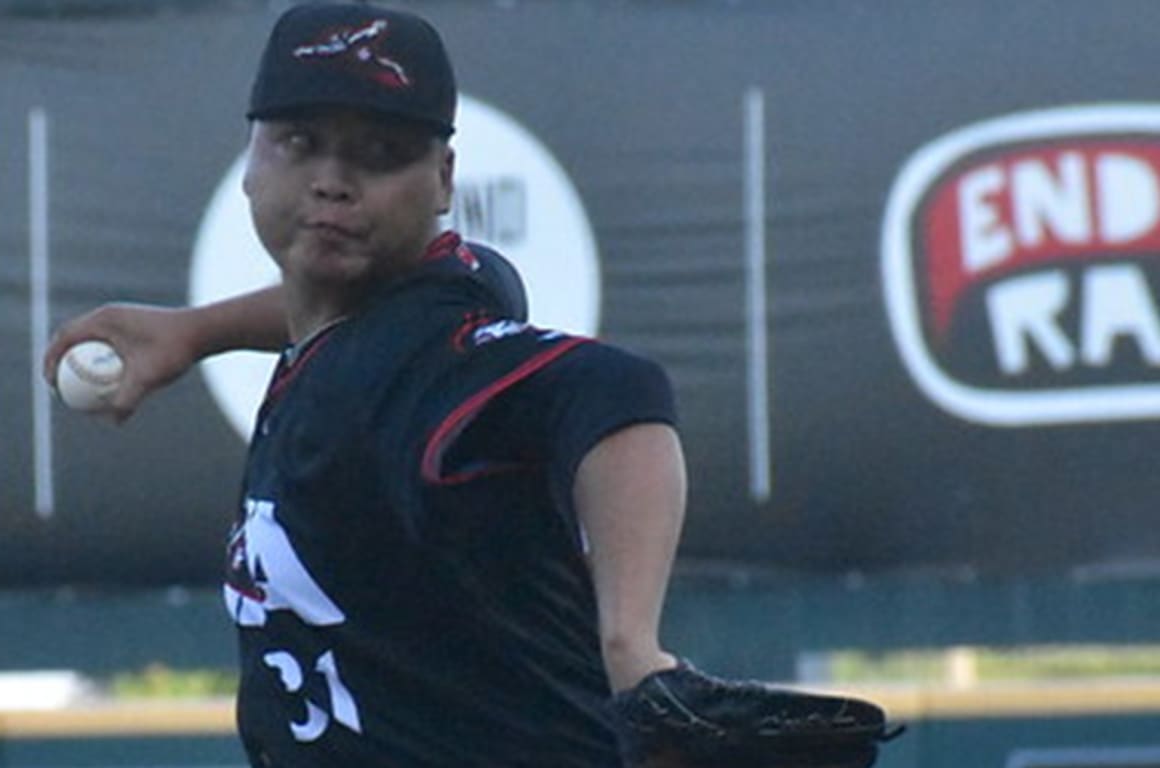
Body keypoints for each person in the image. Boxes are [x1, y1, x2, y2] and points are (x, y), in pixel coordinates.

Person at [46, 4, 896, 766]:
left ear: (445, 182)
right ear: (253, 161)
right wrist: (196, 332)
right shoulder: (445, 296)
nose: (334, 180)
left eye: (381, 154)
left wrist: (633, 652)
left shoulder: (404, 370)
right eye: (301, 143)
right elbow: (345, 311)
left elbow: (613, 392)